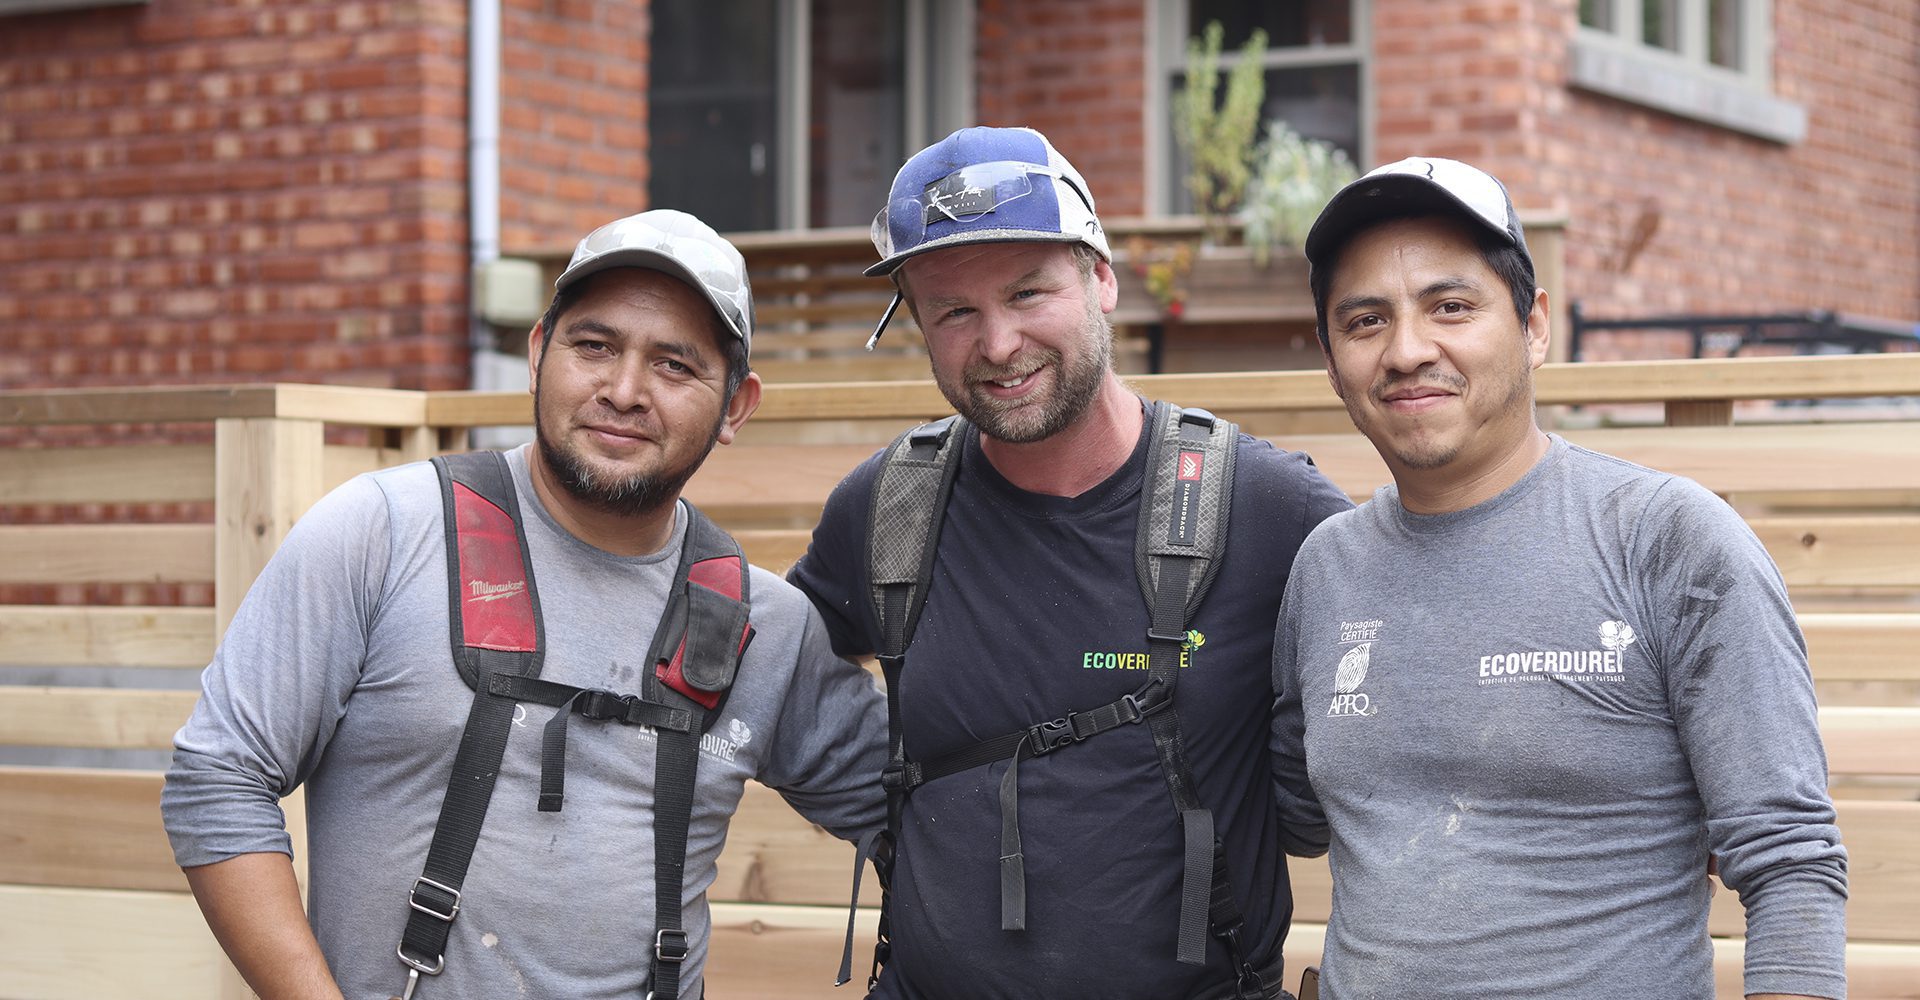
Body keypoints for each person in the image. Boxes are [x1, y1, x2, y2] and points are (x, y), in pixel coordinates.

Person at [162, 209, 889, 1000]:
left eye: (675, 365)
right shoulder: (384, 534)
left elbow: (933, 816)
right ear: (540, 352)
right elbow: (218, 778)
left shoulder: (762, 624)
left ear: (736, 407)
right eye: (594, 346)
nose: (624, 390)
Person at [787, 126, 1353, 1000]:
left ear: (1102, 278)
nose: (1000, 343)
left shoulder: (1266, 507)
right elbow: (774, 671)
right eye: (954, 311)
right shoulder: (888, 508)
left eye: (1027, 291)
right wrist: (897, 809)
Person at [1272, 157, 1849, 999]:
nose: (1406, 350)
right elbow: (1295, 816)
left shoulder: (1671, 543)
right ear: (1331, 359)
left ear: (1534, 326)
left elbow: (1791, 862)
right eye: (1365, 321)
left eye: (1451, 307)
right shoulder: (1326, 568)